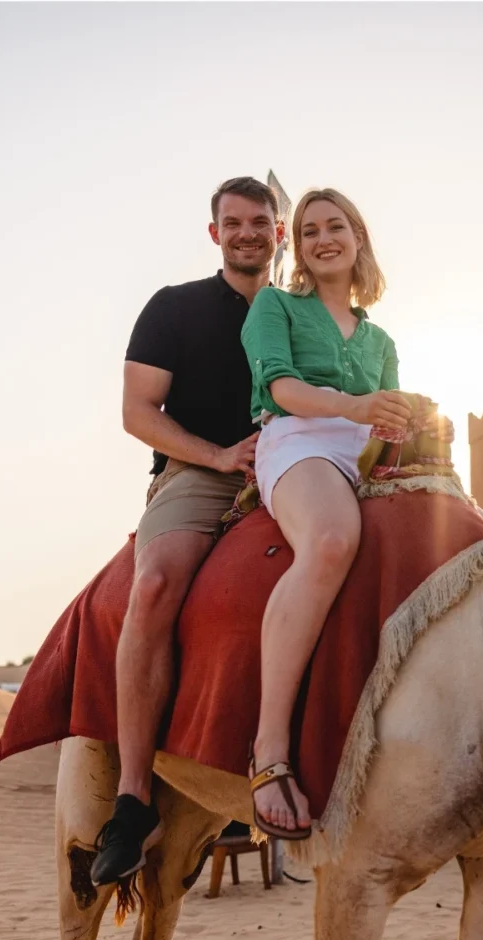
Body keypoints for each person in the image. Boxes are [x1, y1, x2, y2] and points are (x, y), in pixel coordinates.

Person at [89, 177, 282, 885]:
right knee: (157, 583)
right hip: (198, 475)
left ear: (278, 232)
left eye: (260, 221)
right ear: (215, 233)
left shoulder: (299, 315)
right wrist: (219, 455)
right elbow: (138, 411)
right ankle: (134, 798)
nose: (247, 232)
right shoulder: (173, 308)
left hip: (291, 476)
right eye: (233, 222)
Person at [240, 187, 420, 839]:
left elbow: (391, 419)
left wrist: (406, 418)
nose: (323, 238)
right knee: (333, 540)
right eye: (310, 229)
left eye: (336, 226)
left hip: (365, 449)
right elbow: (281, 387)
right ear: (300, 247)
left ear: (358, 237)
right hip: (300, 437)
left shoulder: (381, 339)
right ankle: (269, 749)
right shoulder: (275, 305)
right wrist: (356, 406)